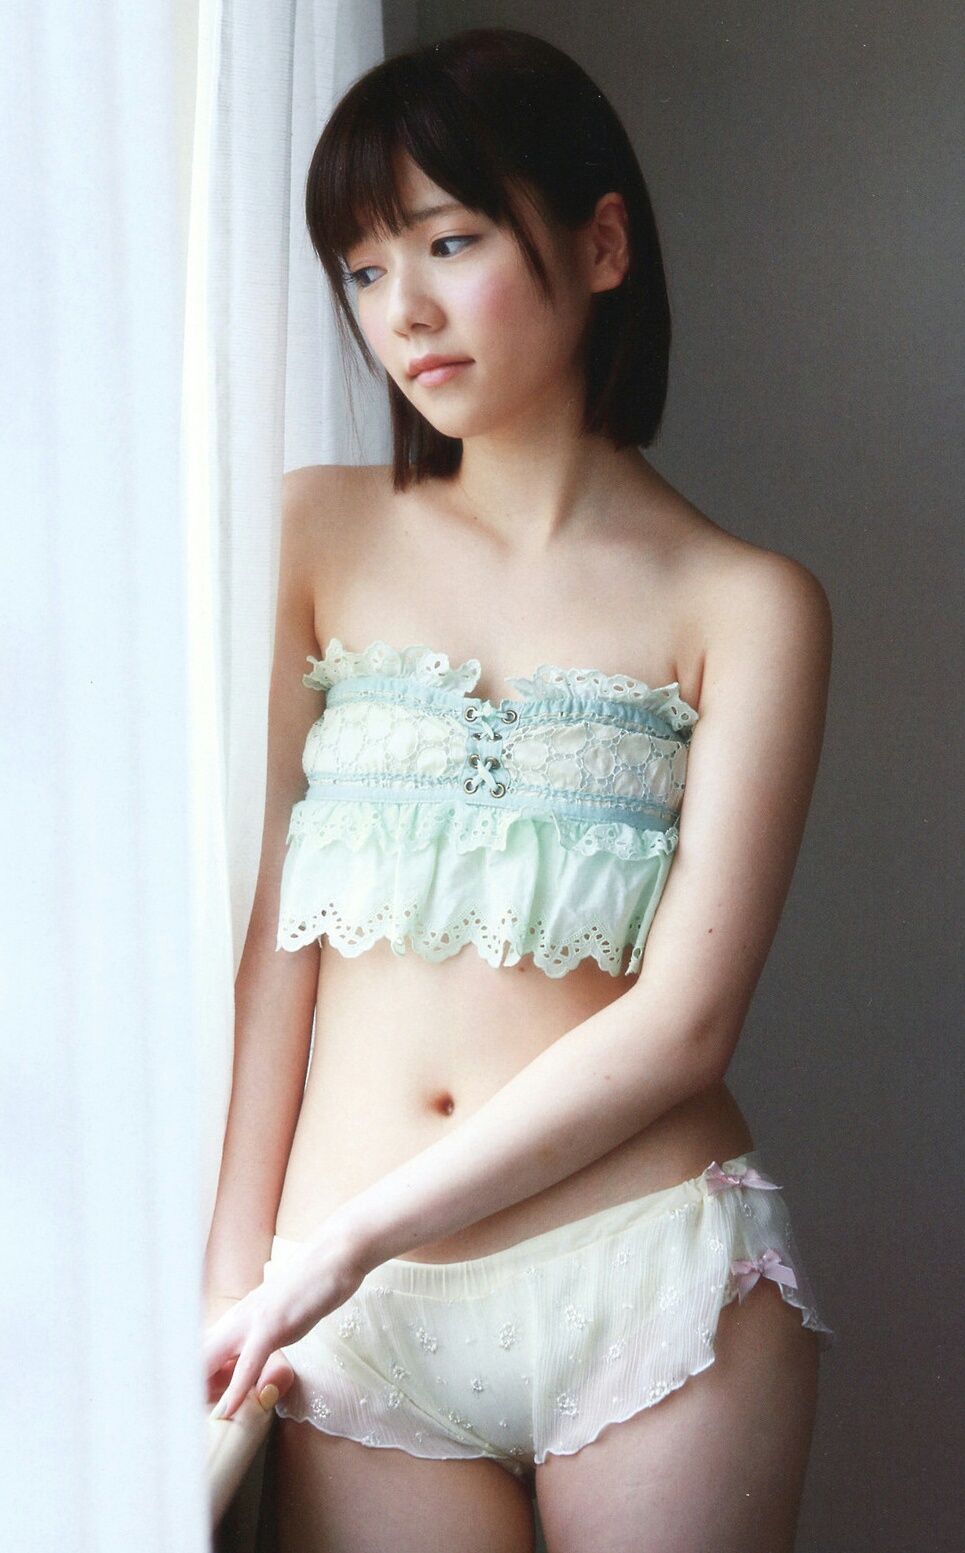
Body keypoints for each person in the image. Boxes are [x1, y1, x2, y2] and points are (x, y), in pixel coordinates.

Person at [203, 26, 836, 1553]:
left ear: (600, 245)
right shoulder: (311, 533)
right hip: (352, 1326)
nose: (402, 310)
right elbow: (274, 947)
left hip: (646, 1280)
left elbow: (683, 1022)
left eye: (449, 241)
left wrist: (343, 1238)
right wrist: (238, 1277)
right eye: (363, 269)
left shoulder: (747, 604)